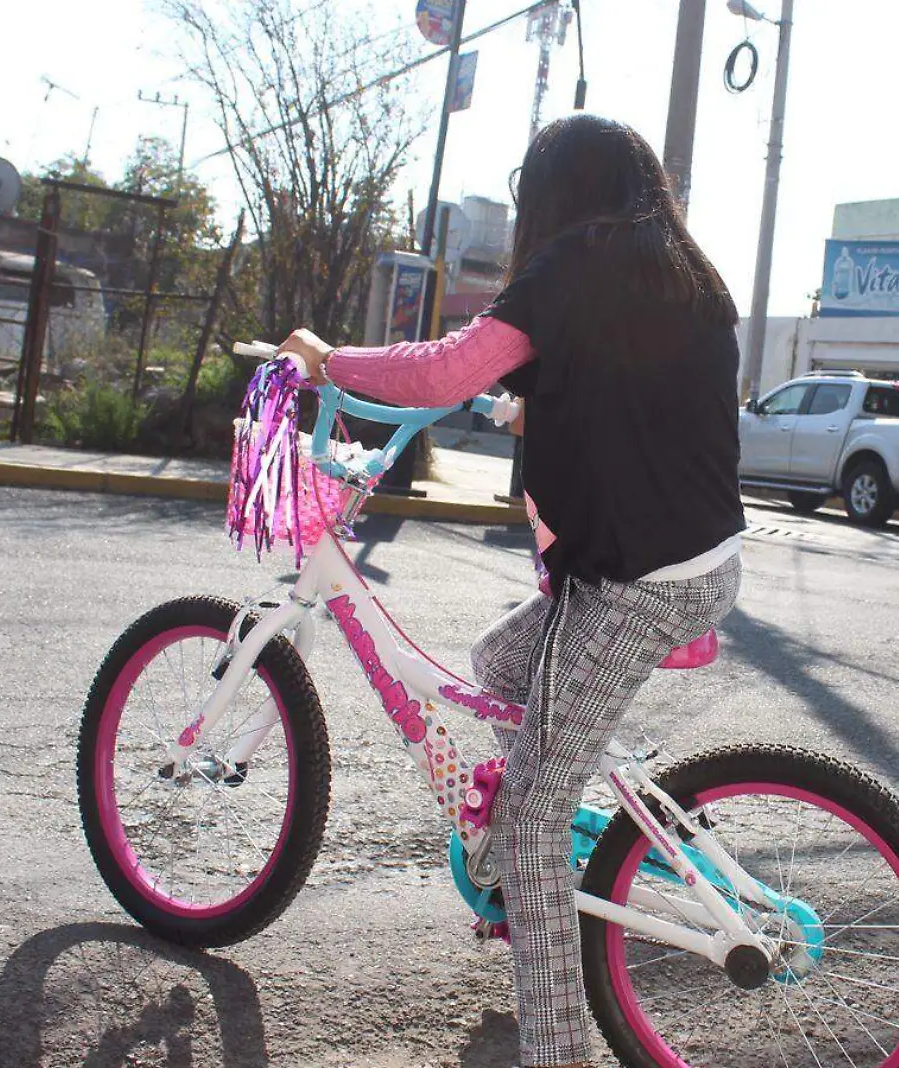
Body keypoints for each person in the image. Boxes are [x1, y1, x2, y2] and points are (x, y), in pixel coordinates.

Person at [278, 113, 746, 1068]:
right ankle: (561, 823)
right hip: (696, 560)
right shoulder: (683, 273)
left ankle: (559, 1044)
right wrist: (516, 399)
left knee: (527, 820)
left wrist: (332, 362)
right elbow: (622, 389)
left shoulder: (576, 261)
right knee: (499, 663)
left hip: (637, 585)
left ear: (555, 194)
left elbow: (445, 365)